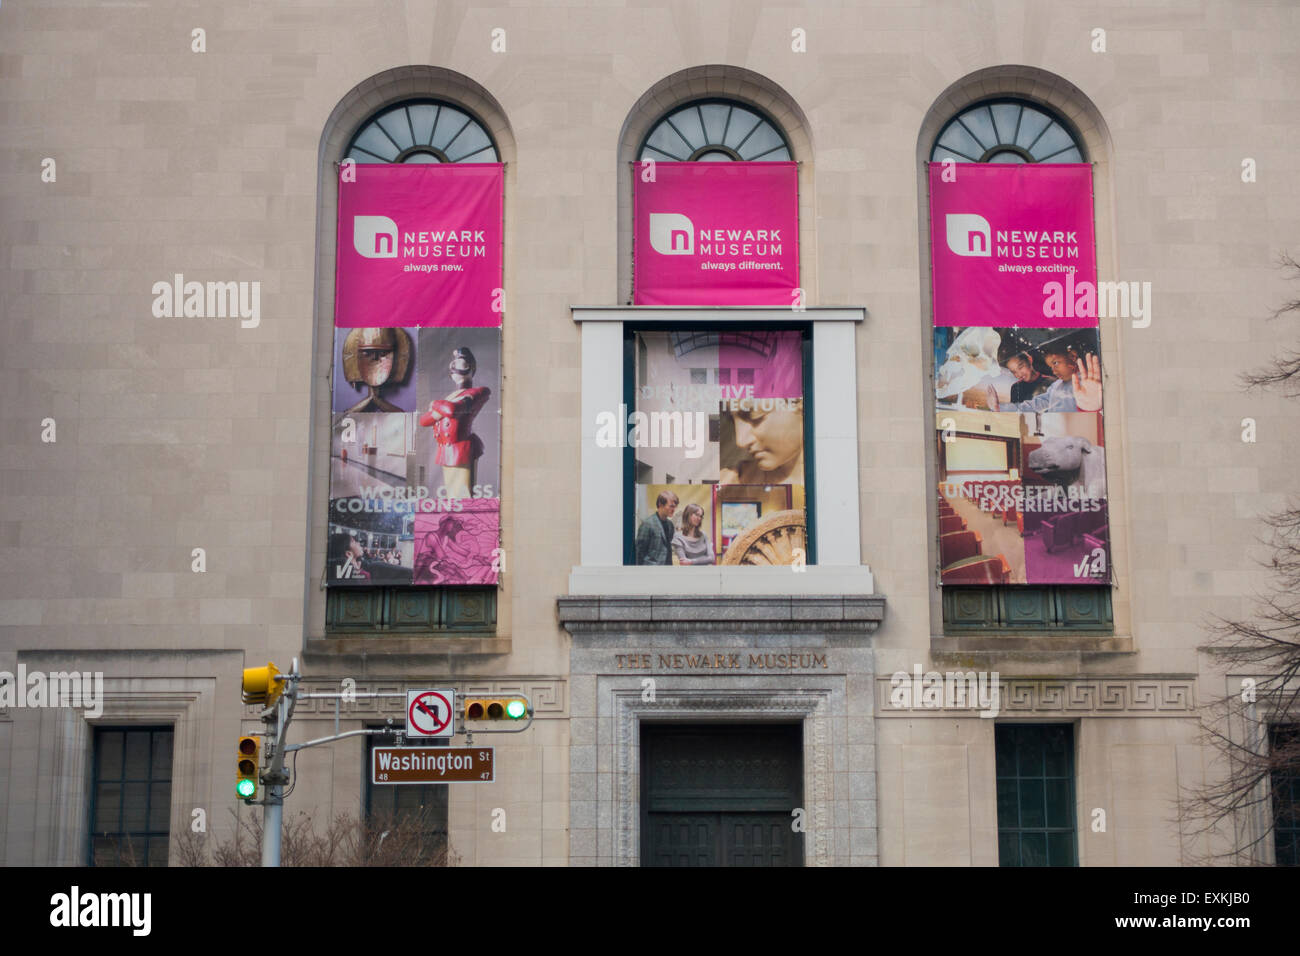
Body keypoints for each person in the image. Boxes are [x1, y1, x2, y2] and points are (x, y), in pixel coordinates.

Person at [420, 347, 491, 499]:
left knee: (462, 496)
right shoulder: (451, 396)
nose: (454, 366)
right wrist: (440, 407)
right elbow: (424, 420)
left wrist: (434, 404)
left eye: (460, 362)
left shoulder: (478, 392)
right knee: (452, 495)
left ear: (470, 367)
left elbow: (452, 410)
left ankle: (463, 521)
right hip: (446, 449)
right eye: (453, 362)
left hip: (462, 449)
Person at [986, 347, 1101, 414]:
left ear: (1072, 356)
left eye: (1056, 363)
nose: (1054, 371)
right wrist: (999, 408)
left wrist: (1093, 408)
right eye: (1051, 366)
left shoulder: (1092, 384)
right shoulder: (1055, 386)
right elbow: (1033, 405)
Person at [719, 401, 804, 485]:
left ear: (800, 403)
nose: (740, 441)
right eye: (732, 421)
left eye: (754, 415)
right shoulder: (727, 483)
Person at [635, 491, 677, 565]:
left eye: (675, 506)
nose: (674, 509)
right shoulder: (647, 524)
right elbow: (639, 552)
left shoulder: (670, 525)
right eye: (671, 506)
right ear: (661, 505)